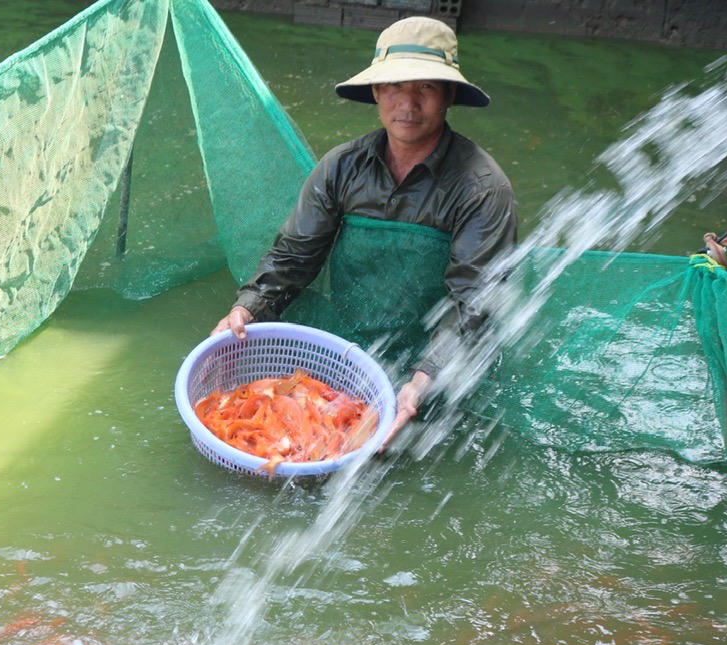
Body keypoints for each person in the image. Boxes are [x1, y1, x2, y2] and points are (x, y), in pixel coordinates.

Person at [211, 16, 517, 449]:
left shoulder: (481, 187)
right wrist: (245, 310)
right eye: (394, 86)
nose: (407, 103)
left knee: (410, 450)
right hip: (351, 346)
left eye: (426, 87)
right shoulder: (341, 167)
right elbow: (292, 258)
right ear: (375, 91)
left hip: (436, 362)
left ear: (449, 95)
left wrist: (422, 381)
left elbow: (474, 303)